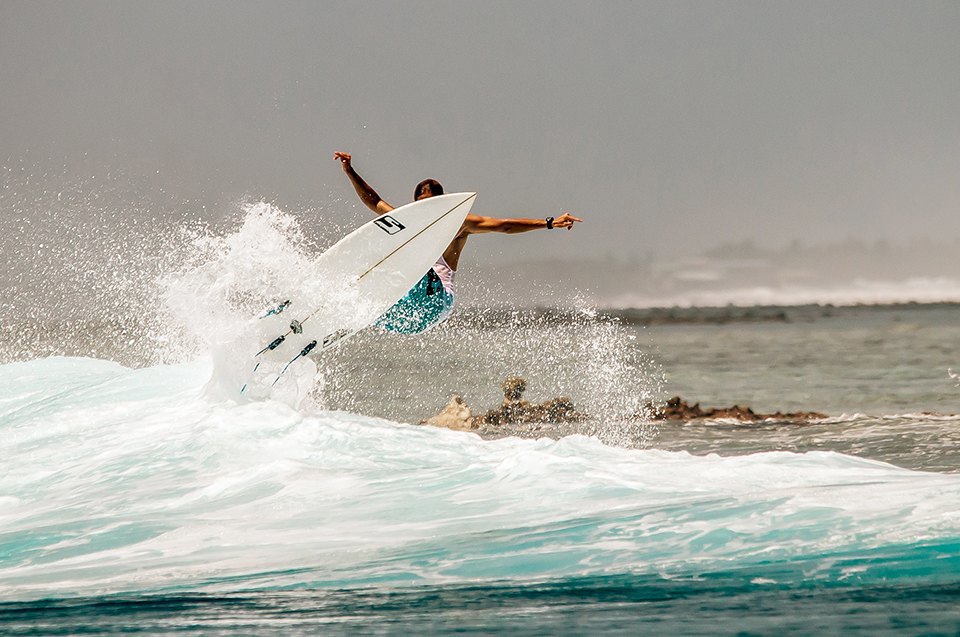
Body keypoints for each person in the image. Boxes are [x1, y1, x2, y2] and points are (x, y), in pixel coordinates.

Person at [333, 151, 583, 334]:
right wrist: (350, 171)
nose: (427, 209)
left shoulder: (459, 225)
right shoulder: (408, 224)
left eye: (432, 204)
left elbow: (504, 225)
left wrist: (549, 222)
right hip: (407, 317)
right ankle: (337, 319)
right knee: (370, 299)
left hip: (437, 303)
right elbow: (373, 200)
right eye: (421, 205)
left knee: (405, 255)